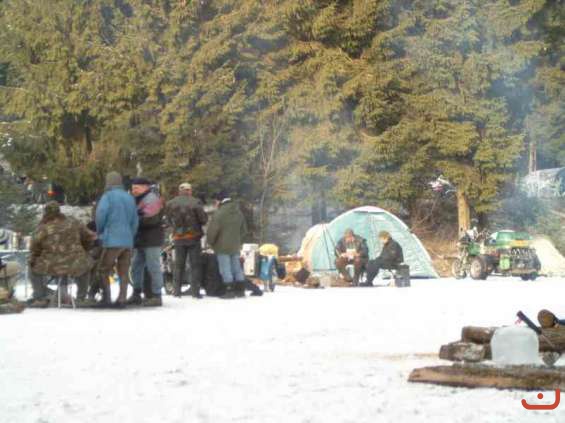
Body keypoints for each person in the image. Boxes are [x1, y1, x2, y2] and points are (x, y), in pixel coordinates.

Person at [27, 202, 95, 308]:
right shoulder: (74, 222)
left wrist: (34, 257)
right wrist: (85, 249)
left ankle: (40, 297)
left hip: (51, 265)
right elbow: (90, 237)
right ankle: (81, 298)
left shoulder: (43, 227)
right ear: (59, 211)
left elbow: (34, 247)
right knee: (86, 265)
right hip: (75, 263)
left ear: (46, 213)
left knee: (32, 268)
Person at [96, 172, 139, 307]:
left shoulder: (107, 196)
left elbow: (101, 215)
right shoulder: (129, 197)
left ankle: (106, 298)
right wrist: (130, 235)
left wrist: (100, 231)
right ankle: (122, 299)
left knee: (103, 269)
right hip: (127, 241)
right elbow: (135, 220)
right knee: (123, 271)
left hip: (112, 240)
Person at [164, 182, 208, 299]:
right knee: (195, 265)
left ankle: (176, 291)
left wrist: (175, 228)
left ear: (180, 191)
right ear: (190, 190)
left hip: (178, 238)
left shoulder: (171, 203)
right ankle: (195, 292)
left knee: (178, 265)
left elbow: (167, 220)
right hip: (193, 237)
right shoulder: (196, 202)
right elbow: (203, 220)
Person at [128, 177, 165, 307]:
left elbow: (151, 219)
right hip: (141, 239)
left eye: (136, 188)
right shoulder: (138, 199)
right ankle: (136, 293)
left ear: (145, 187)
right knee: (136, 267)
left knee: (153, 267)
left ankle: (156, 295)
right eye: (133, 188)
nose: (134, 190)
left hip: (152, 239)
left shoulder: (152, 199)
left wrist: (133, 219)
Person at [206, 192, 247, 299]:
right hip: (235, 245)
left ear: (220, 201)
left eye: (216, 201)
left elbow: (212, 232)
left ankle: (229, 290)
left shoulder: (219, 213)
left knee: (225, 269)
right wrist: (236, 239)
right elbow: (244, 230)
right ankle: (240, 290)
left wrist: (210, 242)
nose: (215, 203)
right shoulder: (239, 212)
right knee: (236, 267)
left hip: (222, 246)